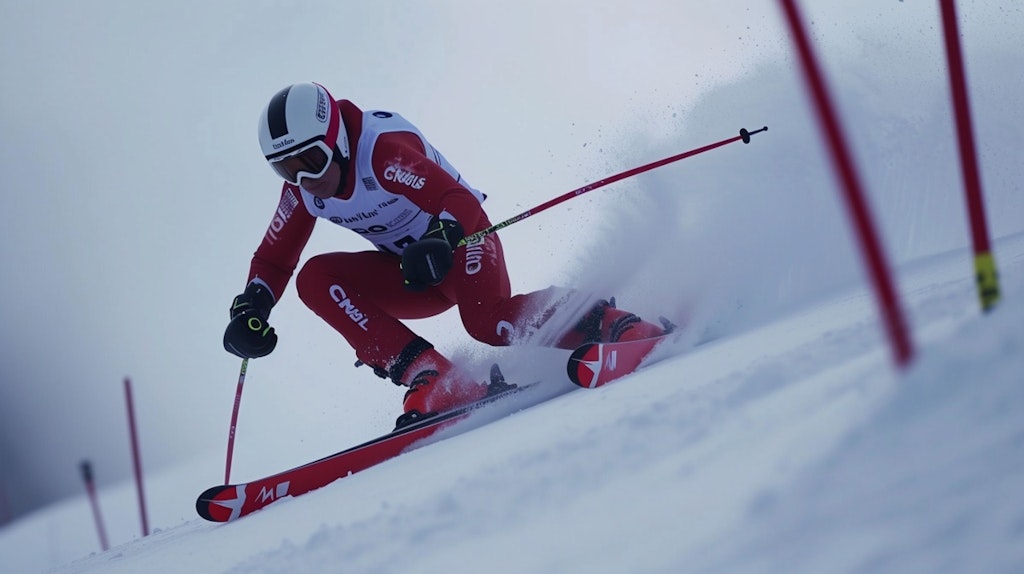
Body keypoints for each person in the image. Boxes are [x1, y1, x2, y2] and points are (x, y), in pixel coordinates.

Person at [223, 82, 668, 428]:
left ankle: (612, 324)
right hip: (413, 274)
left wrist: (440, 238)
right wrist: (252, 305)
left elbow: (459, 200)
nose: (305, 179)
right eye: (287, 169)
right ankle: (434, 377)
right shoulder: (302, 193)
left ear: (336, 140)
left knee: (487, 322)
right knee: (314, 278)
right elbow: (273, 260)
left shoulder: (380, 154)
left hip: (463, 242)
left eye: (313, 160)